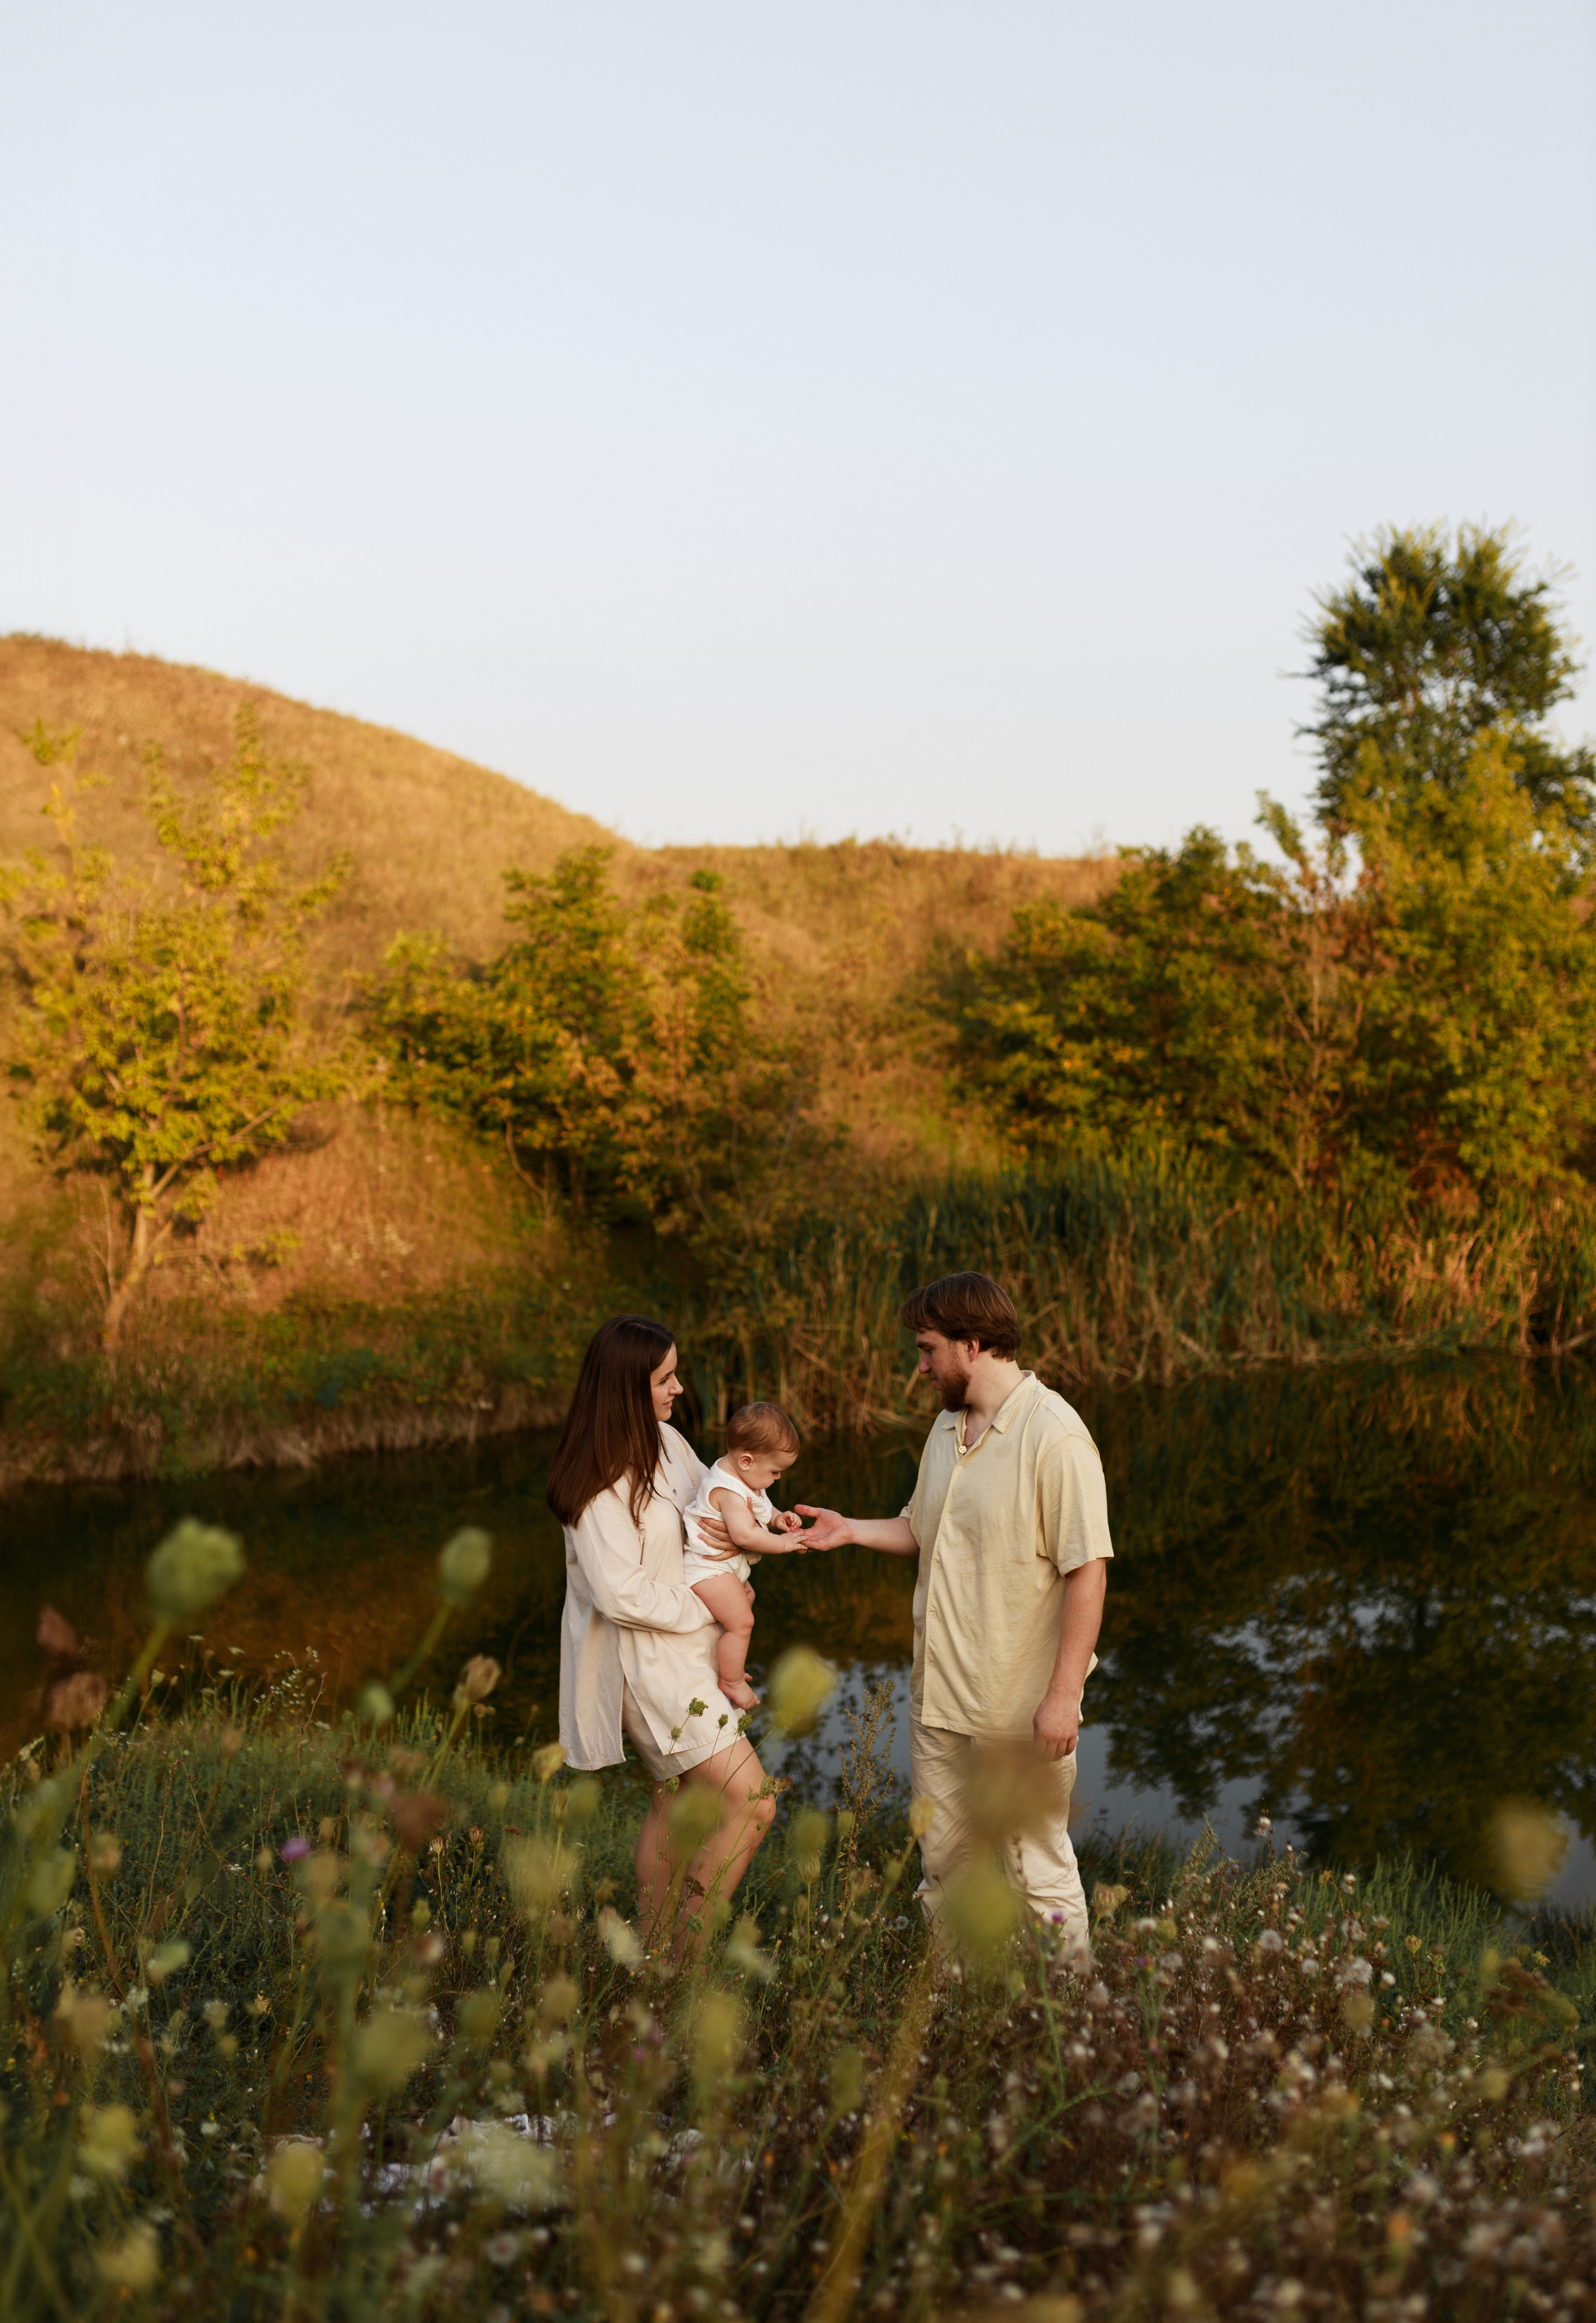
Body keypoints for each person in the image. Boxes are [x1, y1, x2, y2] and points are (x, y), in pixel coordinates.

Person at [796, 1271, 1111, 1968]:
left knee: (1038, 1872)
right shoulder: (946, 1427)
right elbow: (923, 1527)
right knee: (943, 1867)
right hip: (938, 1698)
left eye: (928, 1348)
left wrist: (1063, 1697)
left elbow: (1088, 1569)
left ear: (972, 1344)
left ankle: (1080, 2018)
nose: (920, 1365)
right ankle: (949, 2004)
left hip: (1016, 1709)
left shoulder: (1054, 1435)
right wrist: (849, 1529)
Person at [549, 1314, 778, 1950]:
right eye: (664, 1377)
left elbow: (715, 1509)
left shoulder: (668, 1443)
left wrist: (756, 1534)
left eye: (675, 1374)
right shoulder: (597, 1484)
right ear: (626, 1386)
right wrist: (713, 1611)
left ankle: (656, 1954)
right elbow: (620, 1595)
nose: (678, 1388)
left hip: (689, 1653)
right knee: (753, 1801)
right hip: (647, 1667)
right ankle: (690, 1949)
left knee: (674, 1803)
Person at [682, 1400, 805, 1711]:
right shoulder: (728, 1490)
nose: (778, 1479)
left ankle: (725, 1664)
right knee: (742, 1622)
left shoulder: (744, 1476)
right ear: (747, 1461)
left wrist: (779, 1519)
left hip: (725, 1567)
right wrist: (785, 1543)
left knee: (745, 1600)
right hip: (706, 1569)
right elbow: (745, 1535)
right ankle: (732, 1681)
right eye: (776, 1472)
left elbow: (761, 1508)